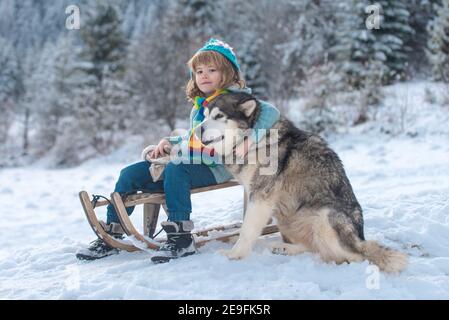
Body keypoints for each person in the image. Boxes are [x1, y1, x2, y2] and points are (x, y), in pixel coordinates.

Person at [78, 39, 280, 263]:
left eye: (212, 70)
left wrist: (251, 138)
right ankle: (111, 233)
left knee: (177, 168)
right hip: (190, 163)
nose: (204, 75)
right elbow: (194, 139)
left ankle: (181, 238)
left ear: (228, 73)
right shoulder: (200, 106)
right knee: (130, 174)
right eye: (199, 71)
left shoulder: (235, 100)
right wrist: (169, 143)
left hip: (219, 166)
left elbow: (270, 112)